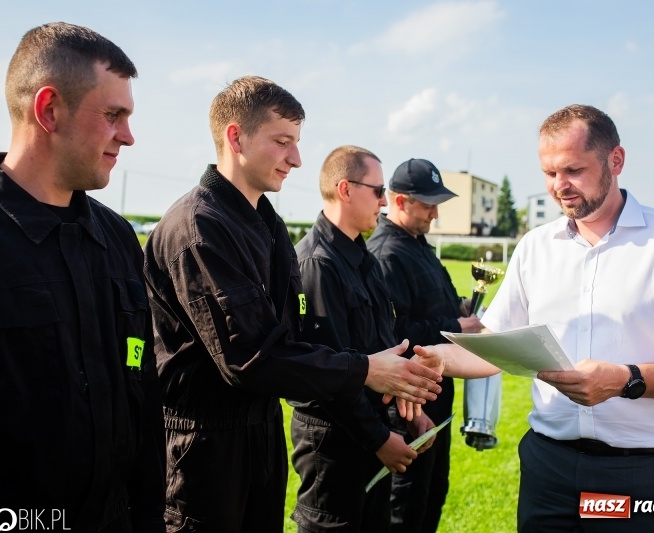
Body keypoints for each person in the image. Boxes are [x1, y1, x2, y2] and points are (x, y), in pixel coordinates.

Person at [142, 77, 443, 533]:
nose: (297, 159)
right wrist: (364, 370)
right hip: (205, 446)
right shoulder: (199, 227)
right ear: (235, 137)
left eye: (297, 143)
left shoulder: (268, 226)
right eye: (283, 142)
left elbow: (299, 341)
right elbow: (250, 357)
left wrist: (389, 378)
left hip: (261, 435)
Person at [477, 104, 654, 531]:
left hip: (642, 479)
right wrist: (426, 360)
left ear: (615, 161)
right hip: (549, 471)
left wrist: (625, 379)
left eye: (573, 170)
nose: (559, 187)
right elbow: (491, 342)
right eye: (549, 174)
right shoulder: (534, 246)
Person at [0, 22, 166, 532]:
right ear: (48, 110)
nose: (128, 137)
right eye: (113, 115)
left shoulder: (116, 240)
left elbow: (142, 398)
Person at [289, 146, 427, 532]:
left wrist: (408, 410)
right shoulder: (317, 264)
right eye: (377, 190)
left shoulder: (362, 258)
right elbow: (329, 374)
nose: (384, 202)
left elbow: (385, 347)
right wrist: (380, 439)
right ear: (345, 189)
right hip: (333, 444)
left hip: (369, 432)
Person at [366, 159, 483, 533]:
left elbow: (431, 306)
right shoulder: (387, 254)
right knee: (407, 504)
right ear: (399, 201)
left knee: (433, 494)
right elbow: (394, 332)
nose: (435, 213)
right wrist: (456, 325)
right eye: (427, 203)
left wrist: (461, 308)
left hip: (436, 394)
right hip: (408, 406)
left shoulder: (418, 244)